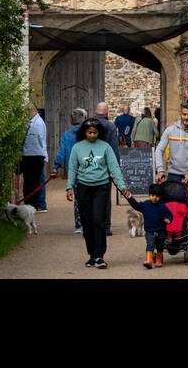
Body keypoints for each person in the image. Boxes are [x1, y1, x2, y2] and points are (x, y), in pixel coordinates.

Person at [66, 117, 130, 269]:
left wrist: (121, 185)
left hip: (101, 187)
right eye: (89, 132)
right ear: (84, 133)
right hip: (83, 188)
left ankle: (100, 256)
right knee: (87, 222)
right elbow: (72, 168)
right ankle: (92, 255)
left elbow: (114, 167)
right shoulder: (77, 148)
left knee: (98, 221)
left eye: (95, 133)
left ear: (99, 133)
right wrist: (69, 187)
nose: (92, 135)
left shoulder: (105, 147)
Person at [155, 101, 188, 261]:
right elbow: (159, 149)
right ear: (180, 113)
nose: (186, 117)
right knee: (170, 211)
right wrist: (160, 169)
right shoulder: (170, 130)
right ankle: (172, 242)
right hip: (174, 177)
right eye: (184, 114)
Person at [50, 107, 88, 233]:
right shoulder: (88, 133)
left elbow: (62, 152)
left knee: (77, 198)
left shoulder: (67, 135)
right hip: (88, 169)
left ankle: (79, 226)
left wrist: (56, 167)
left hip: (73, 169)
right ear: (82, 119)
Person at [123, 184, 174, 269]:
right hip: (150, 231)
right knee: (150, 246)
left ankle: (159, 260)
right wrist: (129, 197)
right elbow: (136, 205)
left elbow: (169, 214)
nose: (154, 198)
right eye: (152, 195)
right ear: (149, 195)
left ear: (160, 197)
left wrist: (169, 219)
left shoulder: (162, 206)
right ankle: (149, 261)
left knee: (160, 247)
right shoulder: (146, 204)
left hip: (161, 231)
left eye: (157, 196)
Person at [94, 102, 120, 235]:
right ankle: (105, 227)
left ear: (96, 111)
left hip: (90, 165)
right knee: (105, 197)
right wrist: (115, 169)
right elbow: (114, 148)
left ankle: (92, 226)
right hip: (105, 166)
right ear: (107, 112)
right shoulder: (110, 126)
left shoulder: (89, 124)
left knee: (90, 196)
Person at [19, 104, 48, 212]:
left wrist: (44, 155)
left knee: (32, 181)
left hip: (34, 155)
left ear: (33, 110)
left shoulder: (38, 123)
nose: (25, 114)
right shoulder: (32, 122)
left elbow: (39, 141)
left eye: (27, 111)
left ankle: (33, 204)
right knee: (31, 181)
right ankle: (33, 204)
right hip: (31, 155)